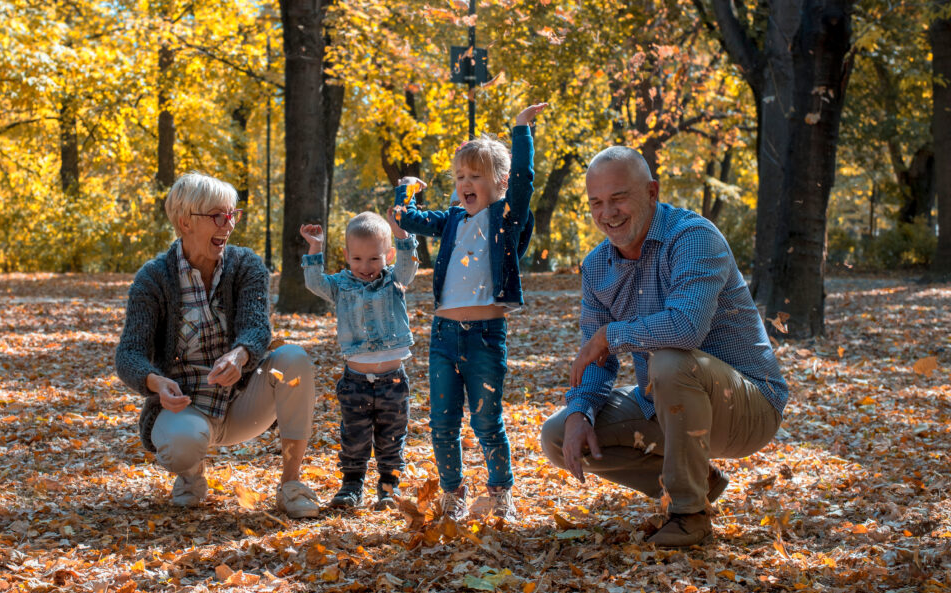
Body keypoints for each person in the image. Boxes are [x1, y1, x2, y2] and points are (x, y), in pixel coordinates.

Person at [540, 146, 788, 547]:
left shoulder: (693, 238)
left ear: (652, 191)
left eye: (619, 197)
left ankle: (689, 516)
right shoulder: (597, 266)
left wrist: (610, 335)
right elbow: (598, 361)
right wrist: (580, 409)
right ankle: (698, 479)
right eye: (597, 203)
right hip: (667, 402)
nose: (608, 213)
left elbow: (685, 329)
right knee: (557, 432)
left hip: (748, 406)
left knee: (671, 361)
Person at [115, 171, 320, 518]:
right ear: (185, 222)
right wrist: (156, 382)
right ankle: (191, 476)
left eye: (231, 215)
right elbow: (128, 354)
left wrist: (240, 356)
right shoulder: (153, 279)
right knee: (182, 446)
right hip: (185, 408)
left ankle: (291, 484)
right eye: (217, 216)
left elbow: (257, 329)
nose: (227, 225)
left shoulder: (246, 266)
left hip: (241, 402)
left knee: (294, 360)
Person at [393, 102, 548, 523]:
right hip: (444, 337)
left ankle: (499, 493)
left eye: (475, 175)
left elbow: (523, 182)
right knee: (442, 423)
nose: (465, 183)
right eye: (460, 176)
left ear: (498, 182)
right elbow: (406, 217)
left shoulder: (505, 217)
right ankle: (453, 493)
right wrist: (404, 189)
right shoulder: (452, 221)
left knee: (486, 422)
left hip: (485, 337)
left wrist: (520, 130)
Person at [299, 210, 418, 511]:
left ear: (388, 255)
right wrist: (315, 248)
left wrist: (401, 232)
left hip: (392, 379)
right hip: (355, 381)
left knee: (391, 437)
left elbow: (408, 264)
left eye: (375, 259)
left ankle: (389, 487)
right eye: (357, 259)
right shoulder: (340, 285)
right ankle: (351, 485)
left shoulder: (395, 281)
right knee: (354, 436)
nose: (366, 267)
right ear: (347, 255)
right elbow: (314, 283)